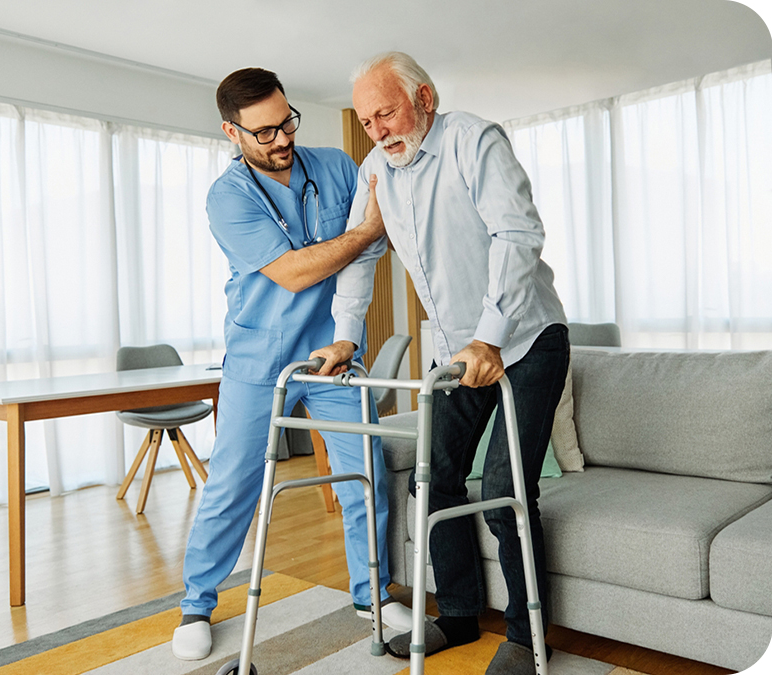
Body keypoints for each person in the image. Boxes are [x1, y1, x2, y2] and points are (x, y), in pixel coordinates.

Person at [311, 52, 570, 675]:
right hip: (459, 354)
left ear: (423, 98)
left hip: (528, 340)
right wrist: (347, 334)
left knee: (508, 488)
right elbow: (362, 252)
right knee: (434, 477)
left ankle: (528, 636)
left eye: (387, 112)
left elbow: (518, 235)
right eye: (367, 120)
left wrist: (489, 338)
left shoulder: (473, 140)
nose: (378, 130)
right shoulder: (377, 167)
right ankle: (456, 614)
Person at [172, 67, 412, 661]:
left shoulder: (334, 166)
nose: (281, 139)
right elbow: (295, 271)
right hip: (259, 356)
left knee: (368, 473)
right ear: (232, 132)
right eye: (264, 132)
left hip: (330, 353)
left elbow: (375, 246)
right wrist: (362, 233)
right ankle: (197, 604)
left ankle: (372, 596)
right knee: (235, 482)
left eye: (287, 123)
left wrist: (363, 249)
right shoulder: (227, 199)